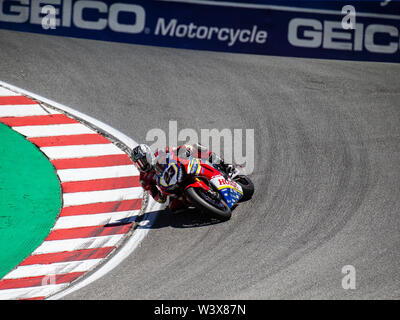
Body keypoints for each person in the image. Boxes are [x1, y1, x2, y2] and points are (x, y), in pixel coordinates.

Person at [131, 143, 233, 211]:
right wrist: (160, 196)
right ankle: (202, 203)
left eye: (142, 161)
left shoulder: (160, 152)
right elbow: (157, 197)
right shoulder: (144, 179)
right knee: (174, 209)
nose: (141, 165)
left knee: (195, 147)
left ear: (148, 155)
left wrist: (185, 150)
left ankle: (222, 164)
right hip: (172, 188)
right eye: (138, 164)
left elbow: (177, 150)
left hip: (181, 171)